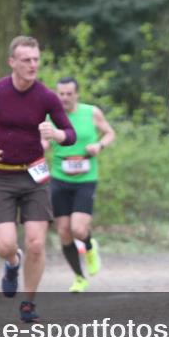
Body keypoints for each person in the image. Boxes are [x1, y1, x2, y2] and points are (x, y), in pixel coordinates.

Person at [0, 36, 75, 323]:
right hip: (1, 177)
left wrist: (55, 134)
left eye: (36, 60)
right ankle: (13, 262)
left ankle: (28, 303)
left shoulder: (46, 97)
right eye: (26, 60)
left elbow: (70, 134)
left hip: (35, 177)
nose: (33, 65)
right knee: (4, 245)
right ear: (12, 62)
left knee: (36, 243)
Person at [48, 76, 116, 292]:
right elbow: (43, 143)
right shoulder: (50, 116)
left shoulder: (91, 112)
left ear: (76, 94)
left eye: (69, 93)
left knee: (78, 229)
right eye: (61, 94)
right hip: (59, 178)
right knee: (64, 232)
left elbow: (110, 133)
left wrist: (99, 145)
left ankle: (89, 246)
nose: (65, 98)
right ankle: (79, 277)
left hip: (85, 179)